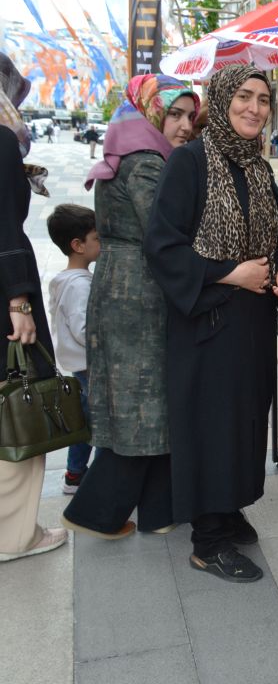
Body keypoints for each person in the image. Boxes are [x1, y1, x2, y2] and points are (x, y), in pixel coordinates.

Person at [144, 64, 278, 583]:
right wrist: (232, 273)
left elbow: (271, 243)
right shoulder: (190, 162)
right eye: (245, 97)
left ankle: (228, 508)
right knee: (211, 424)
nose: (254, 108)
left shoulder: (259, 167)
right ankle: (207, 541)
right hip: (208, 322)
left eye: (263, 100)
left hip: (251, 323)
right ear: (224, 99)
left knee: (245, 419)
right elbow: (162, 247)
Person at [61, 75, 200, 540]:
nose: (183, 125)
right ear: (151, 111)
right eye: (174, 114)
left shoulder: (143, 153)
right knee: (141, 405)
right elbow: (170, 226)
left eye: (188, 116)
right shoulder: (146, 162)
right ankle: (96, 511)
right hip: (136, 294)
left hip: (133, 287)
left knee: (155, 401)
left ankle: (160, 511)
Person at [0, 52, 68, 562]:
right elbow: (5, 226)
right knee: (18, 404)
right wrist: (19, 299)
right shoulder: (2, 140)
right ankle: (16, 534)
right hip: (6, 297)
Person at [45, 204, 99, 495]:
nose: (101, 244)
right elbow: (83, 330)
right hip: (88, 365)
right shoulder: (79, 286)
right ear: (78, 245)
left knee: (83, 421)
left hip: (77, 365)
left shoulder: (65, 280)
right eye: (97, 238)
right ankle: (95, 479)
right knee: (99, 424)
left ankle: (74, 474)